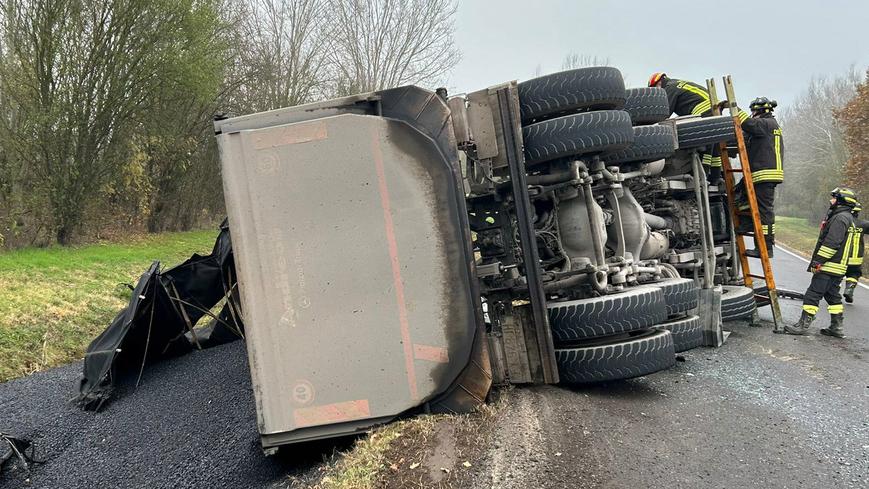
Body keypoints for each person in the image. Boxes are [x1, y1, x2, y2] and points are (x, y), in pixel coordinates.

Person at [785, 187, 861, 337]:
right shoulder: (848, 218)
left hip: (829, 266)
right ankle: (836, 327)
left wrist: (818, 261)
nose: (831, 200)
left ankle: (803, 325)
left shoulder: (840, 218)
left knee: (812, 294)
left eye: (834, 198)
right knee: (833, 296)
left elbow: (832, 242)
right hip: (839, 267)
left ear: (841, 201)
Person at [729, 97, 784, 258]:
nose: (752, 115)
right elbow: (745, 139)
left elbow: (748, 124)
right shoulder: (766, 127)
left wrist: (733, 108)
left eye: (753, 112)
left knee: (764, 212)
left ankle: (765, 248)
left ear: (759, 111)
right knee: (739, 195)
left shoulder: (766, 124)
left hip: (764, 174)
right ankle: (746, 224)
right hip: (759, 174)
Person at [648, 72, 723, 180]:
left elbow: (664, 112)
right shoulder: (678, 83)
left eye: (654, 88)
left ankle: (703, 178)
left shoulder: (669, 89)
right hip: (714, 112)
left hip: (703, 113)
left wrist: (648, 126)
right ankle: (715, 179)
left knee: (705, 149)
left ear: (659, 82)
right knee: (714, 150)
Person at [843, 203, 867, 303]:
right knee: (854, 274)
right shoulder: (863, 224)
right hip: (856, 258)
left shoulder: (843, 221)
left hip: (842, 257)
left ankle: (833, 292)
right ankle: (849, 289)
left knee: (837, 275)